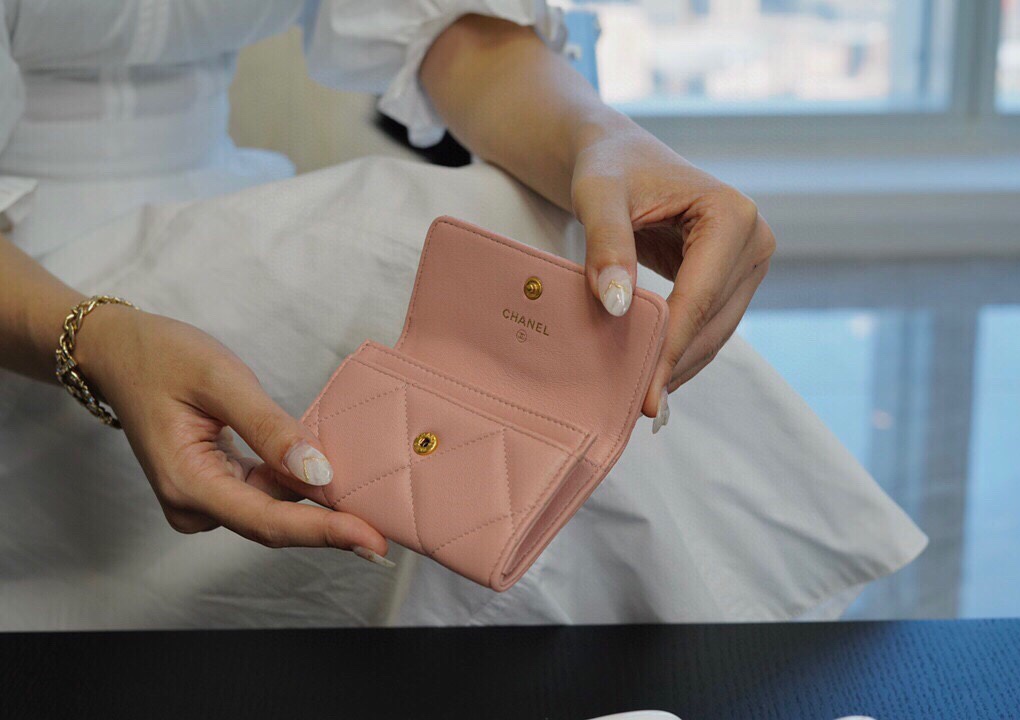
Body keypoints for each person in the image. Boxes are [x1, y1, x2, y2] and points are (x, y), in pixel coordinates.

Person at [0, 1, 926, 628]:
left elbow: (455, 29)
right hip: (29, 285)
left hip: (216, 199)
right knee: (460, 258)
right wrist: (93, 338)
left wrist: (602, 142)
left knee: (537, 244)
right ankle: (704, 657)